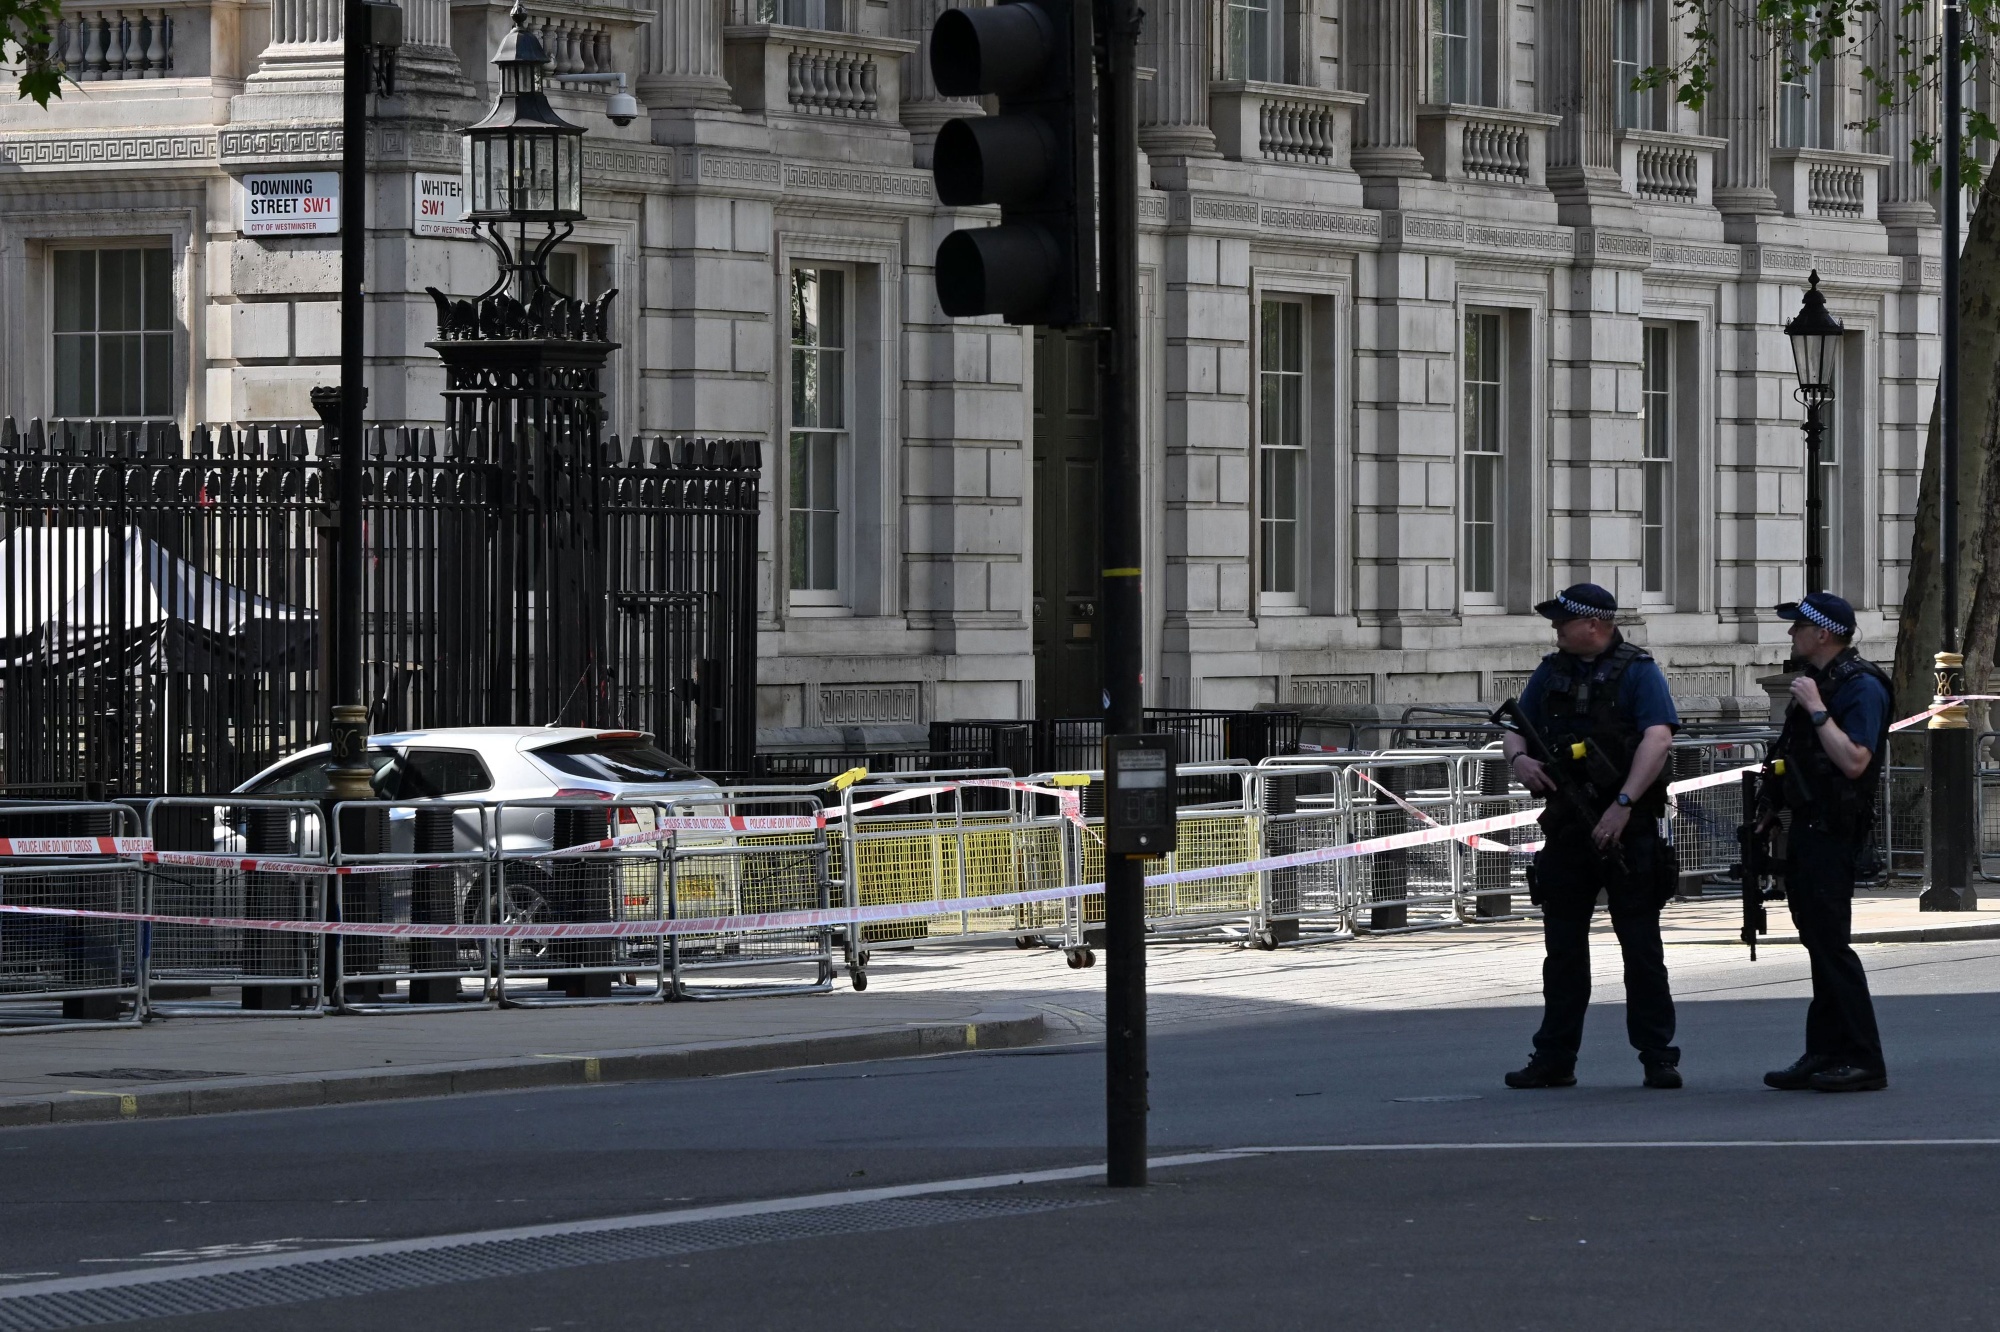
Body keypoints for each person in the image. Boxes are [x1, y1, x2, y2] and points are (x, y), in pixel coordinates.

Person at [1502, 583, 1683, 1090]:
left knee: (1640, 947)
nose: (1556, 630)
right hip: (1567, 825)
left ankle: (1658, 1056)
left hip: (1630, 829)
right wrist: (1519, 760)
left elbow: (1659, 737)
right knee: (1562, 949)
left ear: (1594, 625)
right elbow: (1514, 726)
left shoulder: (1639, 672)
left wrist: (1623, 805)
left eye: (1564, 622)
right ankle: (1555, 1057)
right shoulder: (1552, 670)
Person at [1760, 592, 1891, 1093]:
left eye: (1798, 627)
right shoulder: (1818, 682)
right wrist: (1771, 810)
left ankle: (1863, 1058)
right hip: (1807, 825)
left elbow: (1855, 760)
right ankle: (1824, 1051)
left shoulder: (1860, 687)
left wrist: (1817, 711)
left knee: (1831, 946)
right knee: (1817, 943)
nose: (1790, 634)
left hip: (1835, 831)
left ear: (1824, 634)